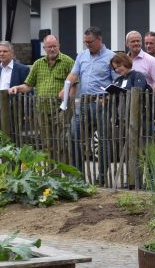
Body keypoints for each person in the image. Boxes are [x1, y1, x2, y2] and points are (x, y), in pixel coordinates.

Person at [9, 35, 74, 159]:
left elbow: (75, 85)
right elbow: (28, 86)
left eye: (54, 46)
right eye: (49, 47)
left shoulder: (68, 61)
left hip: (60, 110)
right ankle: (51, 172)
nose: (52, 49)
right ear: (44, 48)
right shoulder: (38, 64)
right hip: (42, 110)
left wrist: (67, 102)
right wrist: (17, 88)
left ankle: (64, 173)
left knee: (60, 142)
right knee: (47, 143)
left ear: (59, 46)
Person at [62, 27, 115, 177]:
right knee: (73, 136)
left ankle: (103, 176)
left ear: (99, 40)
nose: (87, 45)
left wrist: (108, 98)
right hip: (83, 102)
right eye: (85, 42)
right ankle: (77, 174)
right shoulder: (82, 55)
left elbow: (117, 82)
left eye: (90, 42)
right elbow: (73, 74)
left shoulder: (111, 56)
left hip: (101, 103)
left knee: (103, 139)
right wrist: (65, 88)